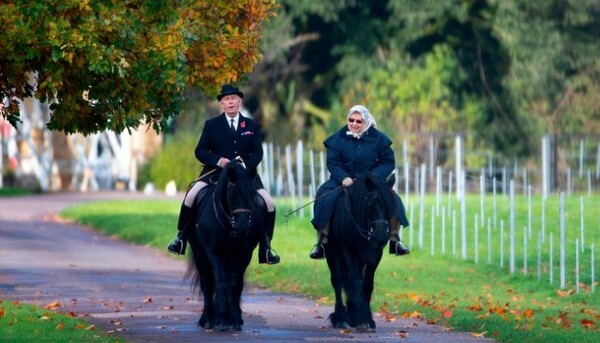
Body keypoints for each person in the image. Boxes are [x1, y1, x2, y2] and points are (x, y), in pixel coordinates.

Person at [167, 84, 280, 265]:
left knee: (269, 203)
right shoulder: (211, 125)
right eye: (226, 99)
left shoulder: (251, 125)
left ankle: (265, 248)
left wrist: (245, 164)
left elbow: (258, 153)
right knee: (190, 196)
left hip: (245, 177)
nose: (230, 102)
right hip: (215, 174)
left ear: (240, 101)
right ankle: (181, 238)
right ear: (221, 103)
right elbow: (200, 151)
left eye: (234, 98)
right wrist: (219, 161)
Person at [309, 104, 410, 259]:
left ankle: (395, 239)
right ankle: (322, 242)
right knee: (324, 198)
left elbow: (388, 162)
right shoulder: (337, 139)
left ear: (366, 121)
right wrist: (344, 177)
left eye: (359, 121)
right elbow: (333, 163)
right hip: (342, 181)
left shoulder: (379, 139)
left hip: (371, 182)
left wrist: (372, 177)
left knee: (393, 199)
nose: (354, 124)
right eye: (352, 120)